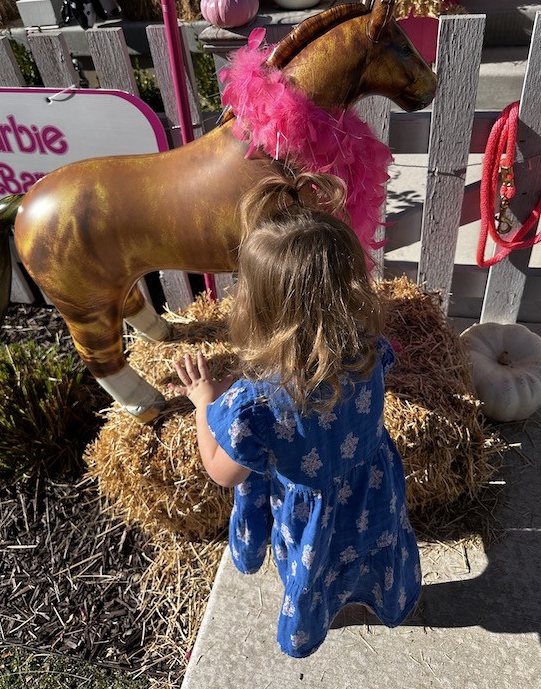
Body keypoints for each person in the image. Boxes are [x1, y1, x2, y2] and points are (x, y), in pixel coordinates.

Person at [173, 168, 421, 659]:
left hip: (314, 517)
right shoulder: (370, 350)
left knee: (318, 568)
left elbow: (222, 472)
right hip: (373, 491)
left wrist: (205, 403)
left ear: (258, 304)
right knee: (370, 548)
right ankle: (372, 600)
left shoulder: (256, 403)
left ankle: (323, 618)